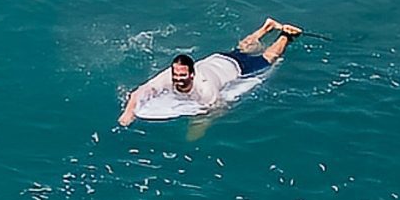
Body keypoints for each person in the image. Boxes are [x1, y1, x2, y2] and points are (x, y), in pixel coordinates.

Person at [118, 18, 303, 126]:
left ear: (192, 74)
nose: (178, 79)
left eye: (182, 76)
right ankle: (265, 28)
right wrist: (129, 113)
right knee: (242, 48)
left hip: (239, 69)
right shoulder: (167, 77)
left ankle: (286, 36)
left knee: (268, 58)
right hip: (219, 58)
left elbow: (217, 108)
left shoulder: (205, 88)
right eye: (176, 75)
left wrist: (198, 123)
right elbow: (138, 93)